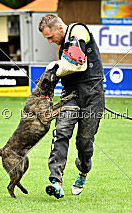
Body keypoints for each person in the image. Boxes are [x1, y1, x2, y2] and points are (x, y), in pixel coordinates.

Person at [39, 14, 105, 199]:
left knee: (84, 142)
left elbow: (78, 63)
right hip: (70, 95)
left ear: (60, 28)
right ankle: (56, 181)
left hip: (93, 95)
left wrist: (55, 66)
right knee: (61, 132)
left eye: (50, 37)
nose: (50, 42)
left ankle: (83, 170)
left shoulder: (78, 30)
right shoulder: (62, 47)